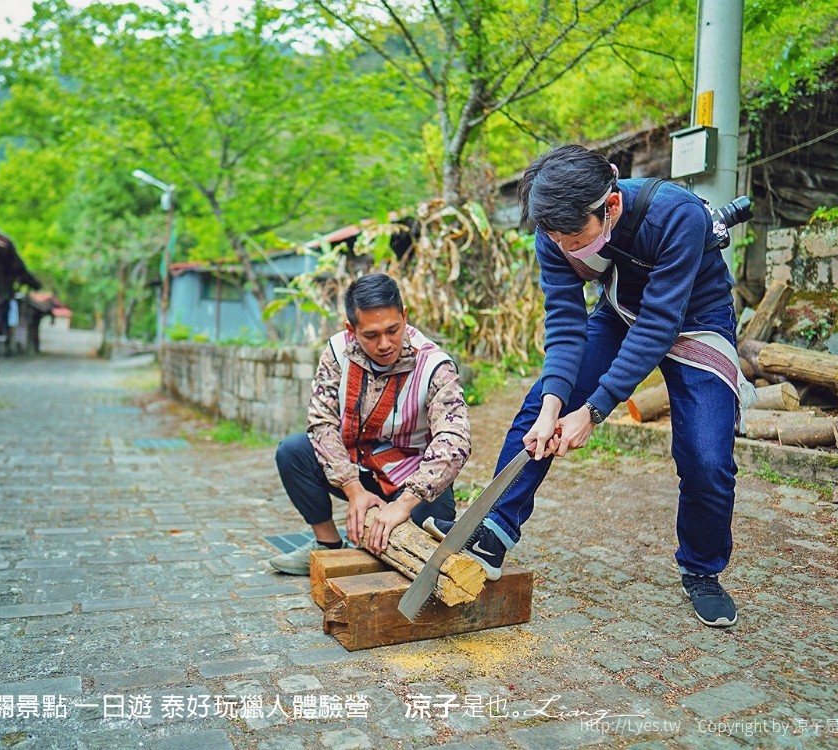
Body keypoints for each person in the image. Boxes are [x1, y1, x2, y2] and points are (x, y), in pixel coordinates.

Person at [425, 144, 752, 626]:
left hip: (694, 319)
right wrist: (557, 402)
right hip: (621, 311)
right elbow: (564, 321)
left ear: (611, 207)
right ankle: (493, 530)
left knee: (707, 457)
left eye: (573, 235)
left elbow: (660, 323)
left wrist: (594, 410)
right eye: (552, 236)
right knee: (539, 406)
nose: (561, 246)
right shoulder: (553, 230)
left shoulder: (677, 215)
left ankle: (702, 572)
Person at [270, 273, 472, 575]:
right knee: (293, 451)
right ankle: (325, 544)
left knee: (430, 551)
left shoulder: (434, 365)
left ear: (404, 316)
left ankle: (391, 536)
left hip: (411, 478)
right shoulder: (337, 352)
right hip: (357, 470)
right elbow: (321, 421)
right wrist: (353, 491)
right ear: (352, 330)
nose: (385, 344)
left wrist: (404, 504)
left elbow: (454, 439)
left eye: (393, 330)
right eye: (371, 335)